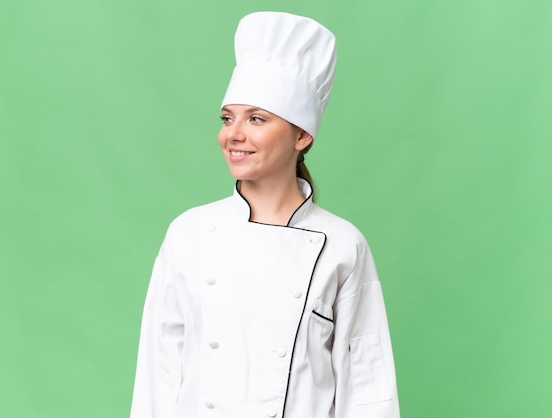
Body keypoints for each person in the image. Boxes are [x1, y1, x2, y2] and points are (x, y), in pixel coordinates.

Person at [130, 11, 400, 418]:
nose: (233, 134)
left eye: (256, 119)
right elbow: (158, 375)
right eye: (227, 118)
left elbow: (366, 387)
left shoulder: (343, 246)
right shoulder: (190, 233)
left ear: (302, 135)